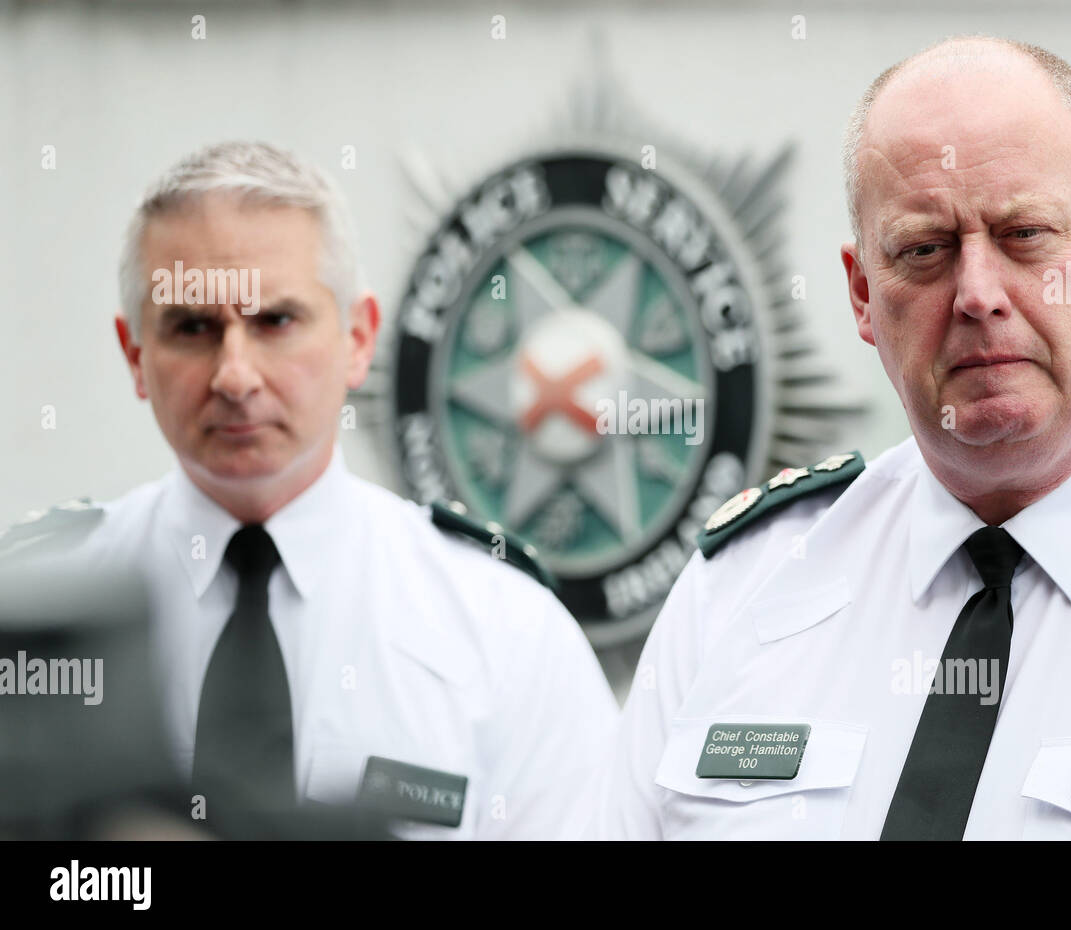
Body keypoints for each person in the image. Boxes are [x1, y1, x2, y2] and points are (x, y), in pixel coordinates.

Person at [589, 36, 1071, 840]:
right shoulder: (742, 591)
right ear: (862, 295)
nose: (977, 294)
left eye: (1025, 234)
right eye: (924, 251)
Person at [0, 141, 617, 839]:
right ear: (135, 353)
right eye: (194, 328)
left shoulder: (506, 633)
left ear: (359, 337)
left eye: (275, 322)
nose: (235, 376)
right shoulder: (40, 627)